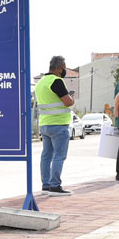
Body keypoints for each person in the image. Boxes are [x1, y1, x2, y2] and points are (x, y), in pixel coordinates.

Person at [35, 55, 74, 195]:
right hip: (59, 124)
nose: (64, 71)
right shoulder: (57, 81)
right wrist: (71, 97)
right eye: (64, 68)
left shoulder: (41, 82)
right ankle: (55, 185)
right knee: (59, 156)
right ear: (59, 68)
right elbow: (68, 102)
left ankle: (46, 185)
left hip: (45, 124)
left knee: (46, 155)